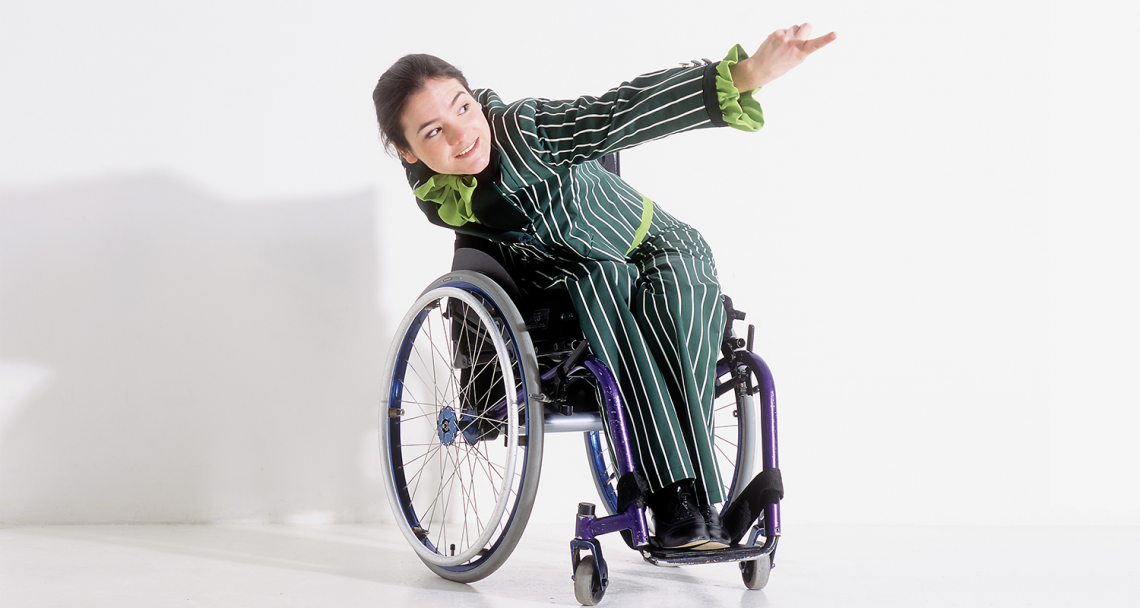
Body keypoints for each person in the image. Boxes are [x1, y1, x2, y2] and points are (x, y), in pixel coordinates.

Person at [373, 25, 835, 550]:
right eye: (433, 131)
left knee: (674, 310)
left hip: (655, 244)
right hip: (581, 268)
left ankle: (694, 502)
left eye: (463, 108)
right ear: (406, 152)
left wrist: (745, 76)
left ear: (475, 98)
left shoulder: (525, 131)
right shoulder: (432, 189)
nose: (461, 135)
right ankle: (679, 503)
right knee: (604, 282)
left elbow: (617, 112)